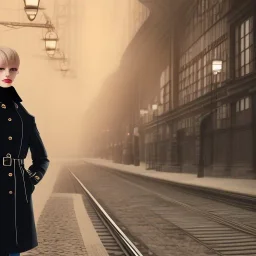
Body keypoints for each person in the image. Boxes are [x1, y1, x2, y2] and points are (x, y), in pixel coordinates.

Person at [0, 47, 50, 256]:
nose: (7, 75)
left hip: (15, 197)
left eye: (13, 69)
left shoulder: (24, 117)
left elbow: (42, 158)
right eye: (1, 68)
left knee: (12, 249)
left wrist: (29, 181)